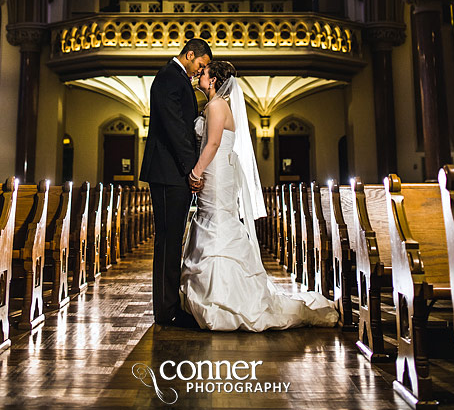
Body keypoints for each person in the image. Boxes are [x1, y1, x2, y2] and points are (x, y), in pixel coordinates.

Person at [180, 59, 339, 331]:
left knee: (217, 219)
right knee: (215, 218)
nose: (200, 76)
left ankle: (223, 299)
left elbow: (214, 142)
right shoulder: (218, 105)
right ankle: (215, 295)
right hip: (219, 170)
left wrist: (197, 171)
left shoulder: (216, 106)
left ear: (214, 80)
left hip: (216, 169)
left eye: (204, 73)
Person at [140, 38, 212, 326]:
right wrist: (193, 169)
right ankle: (165, 310)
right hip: (169, 172)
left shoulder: (176, 77)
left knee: (172, 242)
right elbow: (175, 130)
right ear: (190, 54)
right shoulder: (169, 77)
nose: (201, 70)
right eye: (201, 64)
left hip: (172, 172)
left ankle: (169, 305)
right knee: (168, 242)